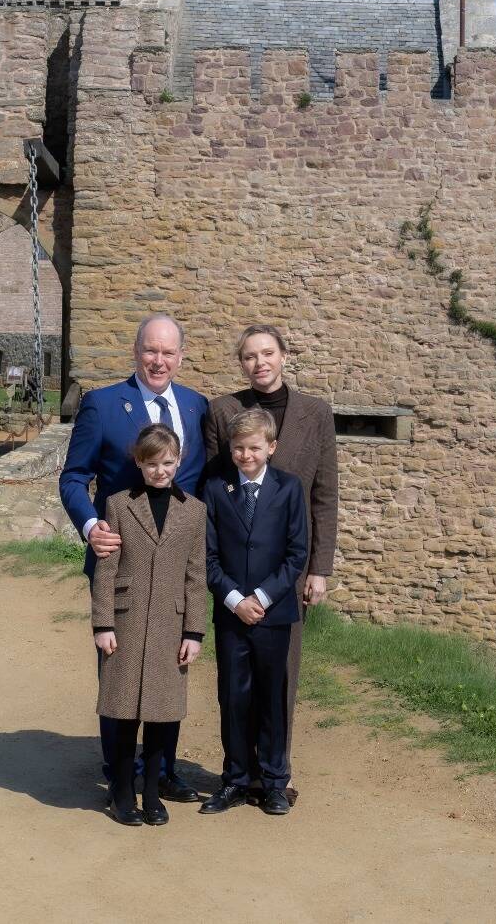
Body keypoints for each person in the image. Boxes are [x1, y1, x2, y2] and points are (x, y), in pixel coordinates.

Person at [58, 313, 209, 803]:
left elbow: (202, 487)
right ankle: (119, 770)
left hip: (173, 571)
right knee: (119, 670)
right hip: (119, 563)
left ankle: (161, 772)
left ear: (181, 357)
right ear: (136, 352)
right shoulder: (102, 405)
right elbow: (73, 477)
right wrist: (90, 526)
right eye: (150, 350)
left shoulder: (196, 406)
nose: (158, 360)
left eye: (168, 352)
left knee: (169, 671)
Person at [202, 324, 338, 788]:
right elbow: (211, 489)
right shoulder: (223, 411)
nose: (259, 363)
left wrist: (318, 568)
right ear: (240, 363)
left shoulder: (315, 414)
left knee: (281, 676)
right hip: (237, 571)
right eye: (249, 356)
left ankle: (274, 774)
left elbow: (324, 494)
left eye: (267, 353)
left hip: (287, 571)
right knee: (237, 681)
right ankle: (240, 773)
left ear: (283, 356)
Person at [90, 424, 207, 826]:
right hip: (126, 621)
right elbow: (106, 571)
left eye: (168, 463)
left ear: (179, 461)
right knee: (124, 714)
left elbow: (196, 575)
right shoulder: (119, 505)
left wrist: (194, 631)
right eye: (152, 463)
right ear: (139, 462)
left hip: (172, 628)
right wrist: (103, 623)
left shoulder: (195, 510)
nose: (160, 471)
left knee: (161, 714)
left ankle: (153, 793)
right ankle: (121, 792)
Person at [199, 408, 309, 816]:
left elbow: (297, 553)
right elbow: (207, 556)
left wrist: (261, 598)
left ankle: (275, 781)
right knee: (233, 697)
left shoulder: (289, 488)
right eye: (239, 448)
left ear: (271, 448)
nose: (246, 455)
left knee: (271, 699)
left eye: (254, 448)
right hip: (231, 614)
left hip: (273, 613)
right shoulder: (215, 488)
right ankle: (236, 779)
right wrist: (234, 600)